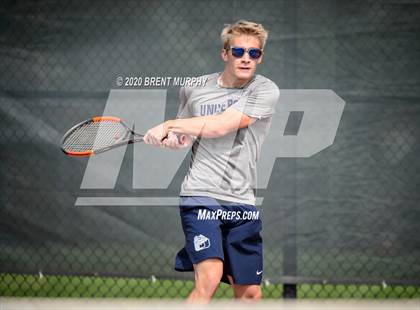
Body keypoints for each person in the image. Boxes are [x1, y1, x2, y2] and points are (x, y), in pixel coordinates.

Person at [143, 20, 280, 303]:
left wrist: (170, 124)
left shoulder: (265, 91)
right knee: (210, 277)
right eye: (239, 51)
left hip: (242, 200)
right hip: (201, 195)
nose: (245, 58)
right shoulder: (195, 88)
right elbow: (185, 137)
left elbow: (220, 126)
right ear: (225, 53)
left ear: (260, 57)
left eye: (253, 53)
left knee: (250, 294)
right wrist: (171, 137)